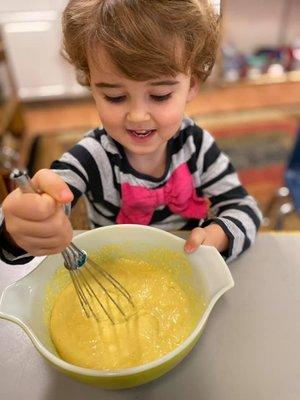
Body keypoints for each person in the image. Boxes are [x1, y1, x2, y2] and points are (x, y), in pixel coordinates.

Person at [0, 0, 262, 265]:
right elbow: (39, 216)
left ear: (192, 84)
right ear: (91, 84)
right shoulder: (92, 156)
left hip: (182, 267)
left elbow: (244, 208)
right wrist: (24, 228)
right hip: (115, 267)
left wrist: (218, 235)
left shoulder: (197, 146)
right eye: (115, 97)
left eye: (160, 96)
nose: (137, 116)